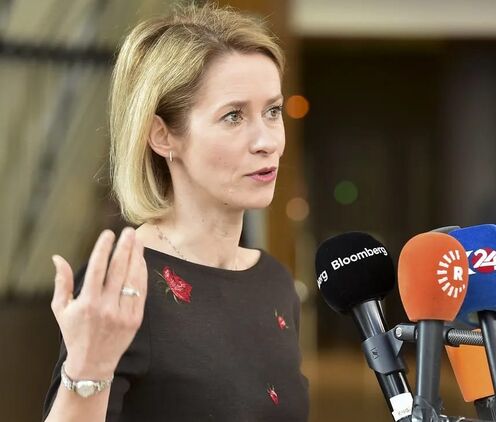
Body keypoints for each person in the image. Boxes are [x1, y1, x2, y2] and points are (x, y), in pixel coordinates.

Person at [42, 4, 309, 421]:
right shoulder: (120, 284)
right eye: (233, 116)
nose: (267, 141)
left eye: (272, 111)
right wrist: (88, 367)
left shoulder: (273, 281)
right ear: (163, 136)